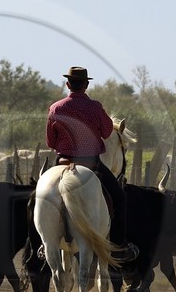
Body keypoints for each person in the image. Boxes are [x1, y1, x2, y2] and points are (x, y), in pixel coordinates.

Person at [46, 66, 130, 258]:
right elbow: (108, 132)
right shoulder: (95, 107)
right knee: (120, 198)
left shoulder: (55, 108)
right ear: (86, 85)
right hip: (91, 164)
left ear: (68, 84)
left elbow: (51, 142)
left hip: (63, 163)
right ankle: (118, 246)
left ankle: (41, 245)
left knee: (37, 199)